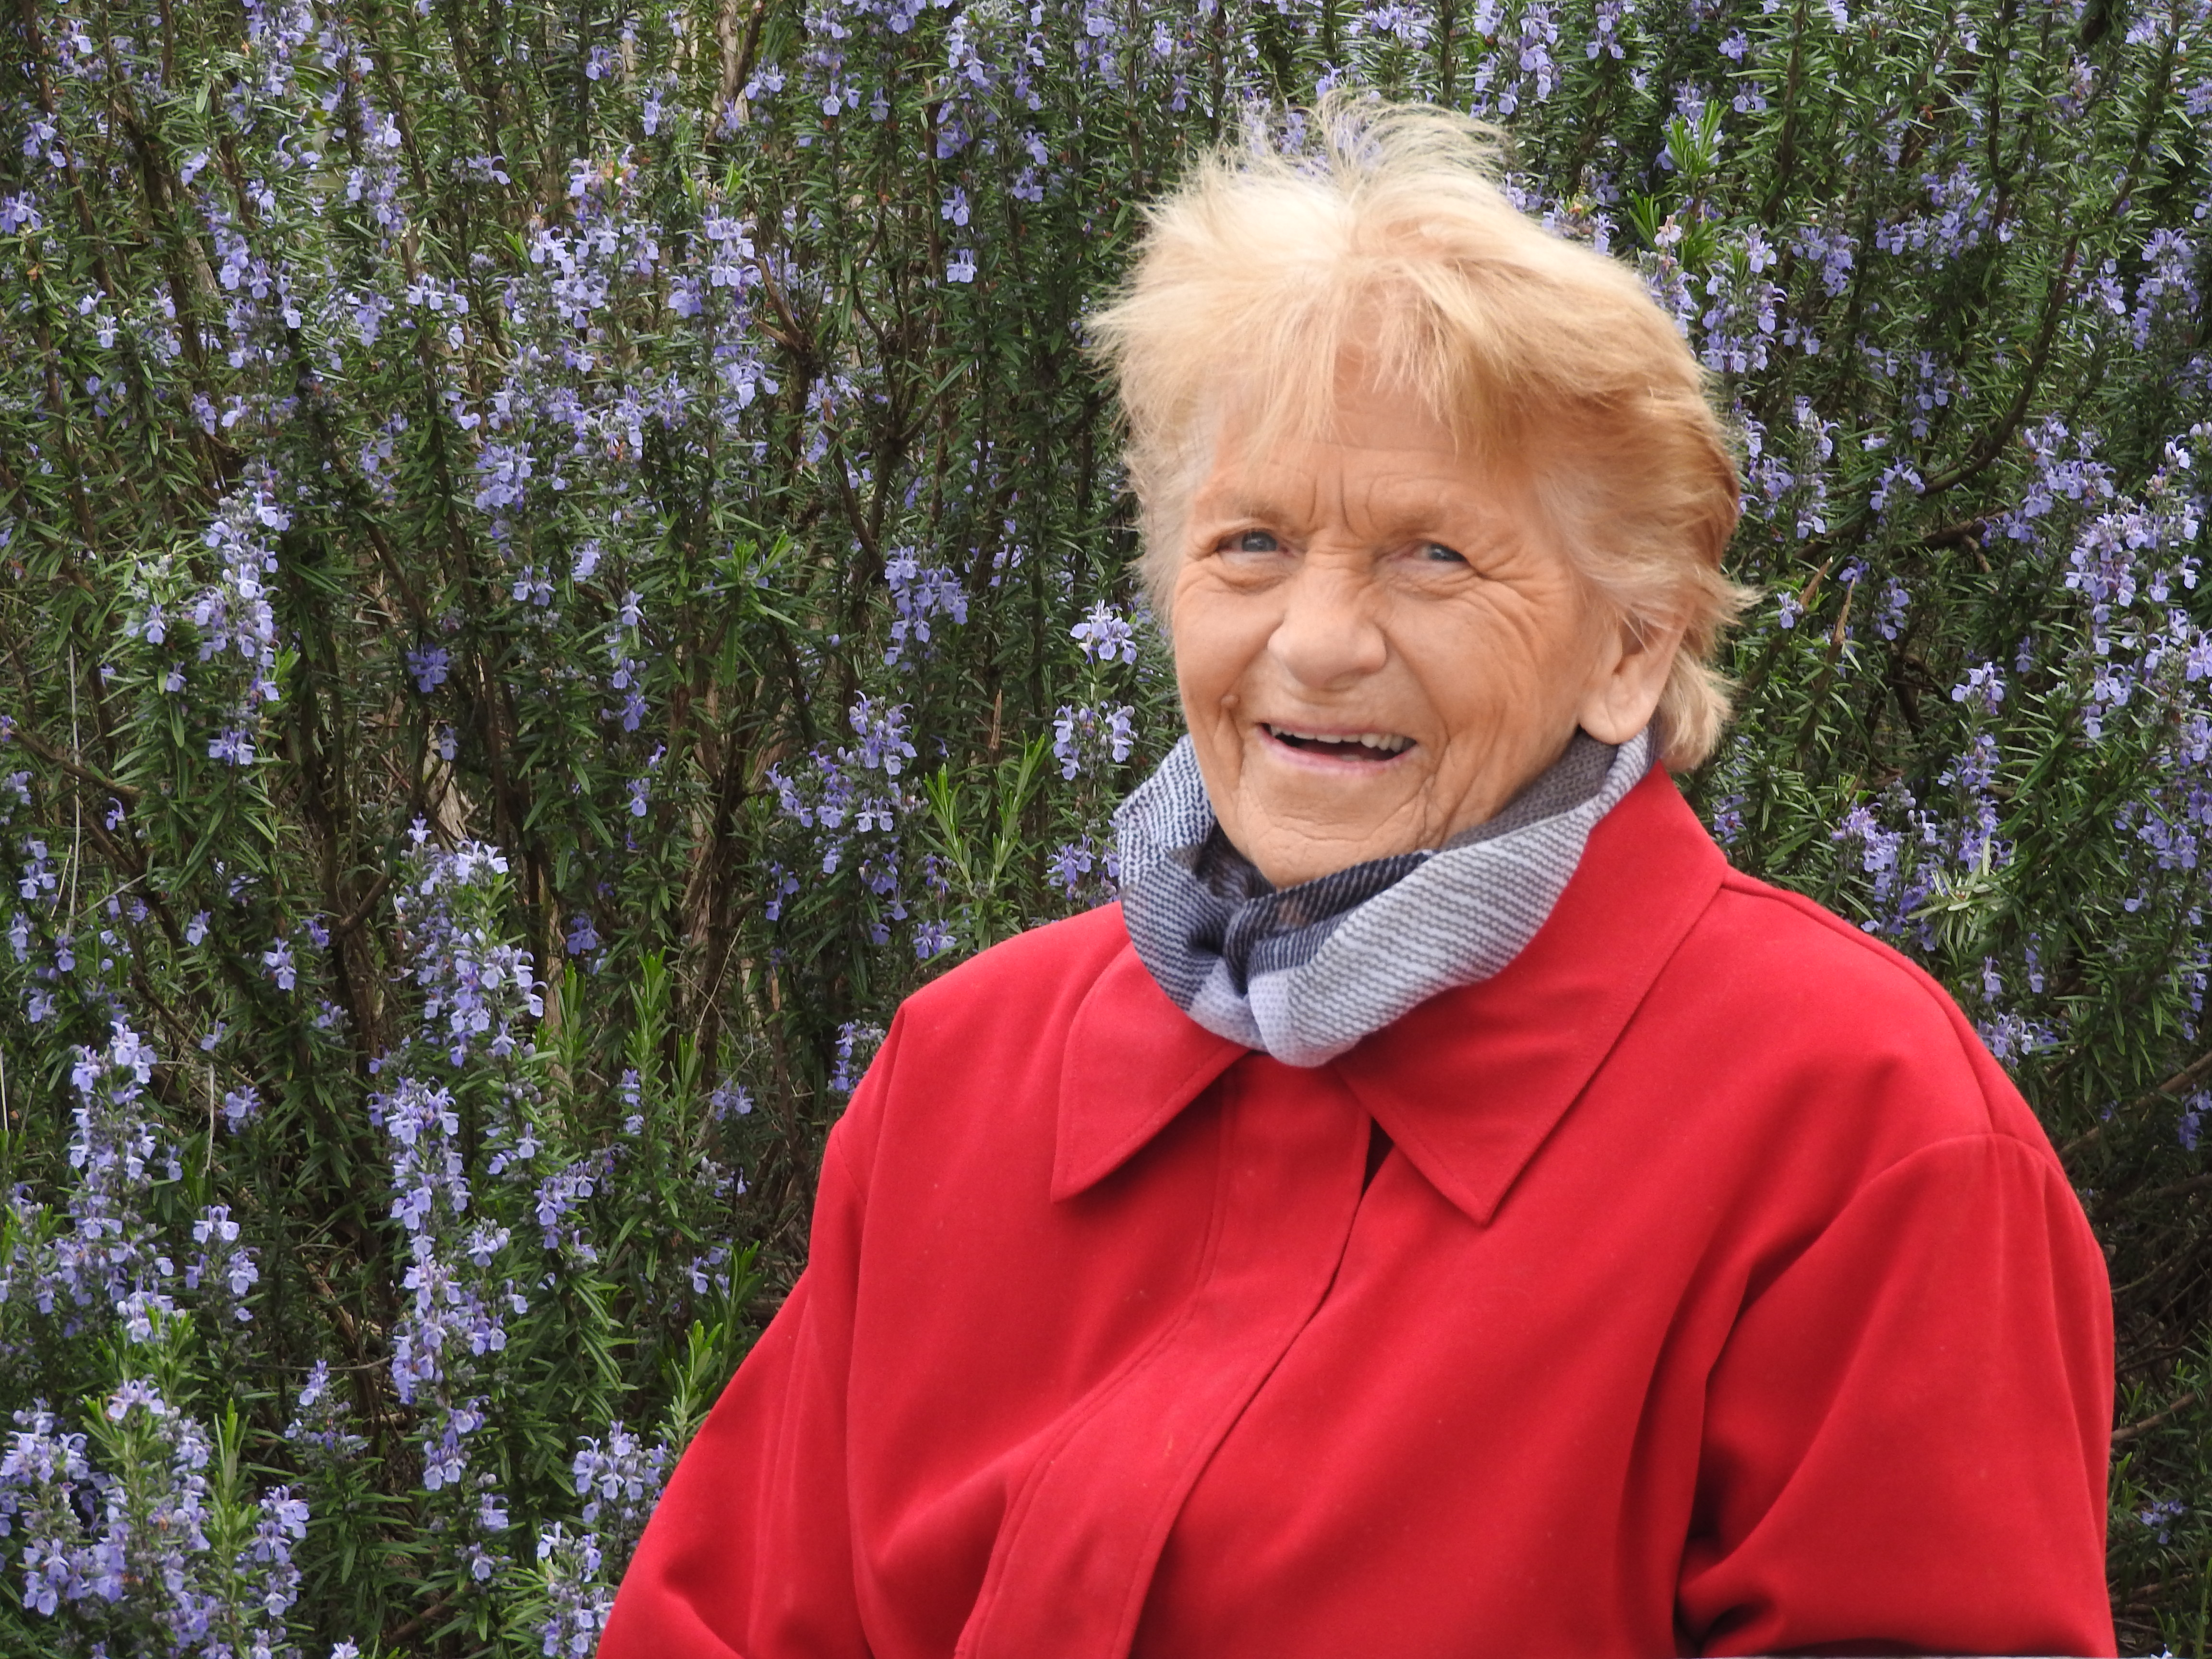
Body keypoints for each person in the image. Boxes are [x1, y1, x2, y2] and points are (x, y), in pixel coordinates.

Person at [600, 101, 2115, 1659]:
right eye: (1249, 542)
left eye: (1434, 557)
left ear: (1633, 645)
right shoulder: (968, 1071)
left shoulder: (1855, 1130)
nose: (1317, 641)